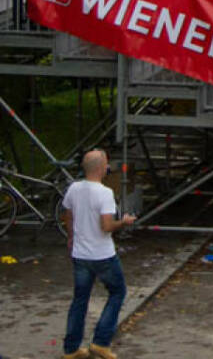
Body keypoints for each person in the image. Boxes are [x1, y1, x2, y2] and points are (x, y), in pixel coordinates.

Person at [61, 149, 135, 359]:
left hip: (80, 254)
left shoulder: (74, 188)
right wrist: (125, 222)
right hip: (102, 255)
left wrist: (71, 237)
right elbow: (106, 226)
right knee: (118, 292)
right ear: (102, 168)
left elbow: (68, 214)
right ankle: (100, 342)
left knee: (80, 299)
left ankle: (71, 349)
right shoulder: (104, 193)